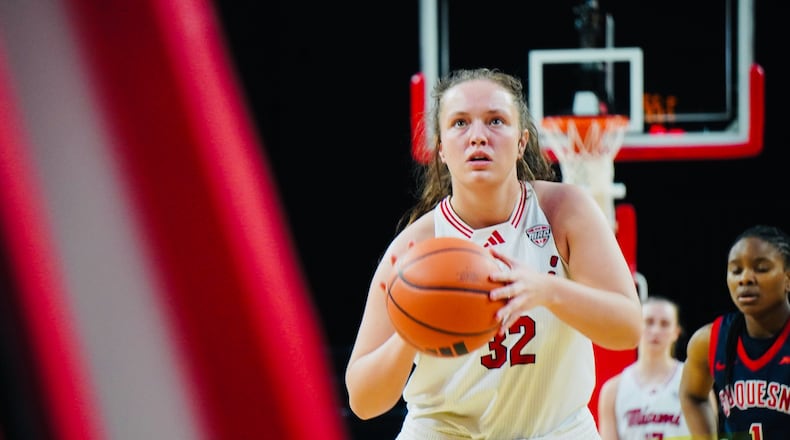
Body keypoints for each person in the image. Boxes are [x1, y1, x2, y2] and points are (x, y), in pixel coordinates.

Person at [344, 67, 642, 439]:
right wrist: (412, 330)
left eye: (496, 121)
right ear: (441, 149)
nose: (478, 136)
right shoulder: (416, 247)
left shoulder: (564, 211)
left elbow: (629, 328)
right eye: (460, 123)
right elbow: (362, 400)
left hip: (556, 430)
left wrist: (546, 290)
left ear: (521, 142)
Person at [680, 224, 790, 439]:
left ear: (788, 278)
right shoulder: (709, 340)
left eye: (761, 268)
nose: (745, 278)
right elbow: (692, 395)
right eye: (736, 270)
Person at [597, 296, 692, 440]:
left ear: (676, 332)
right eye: (649, 322)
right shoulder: (613, 390)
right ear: (637, 325)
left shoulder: (693, 383)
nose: (655, 331)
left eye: (665, 324)